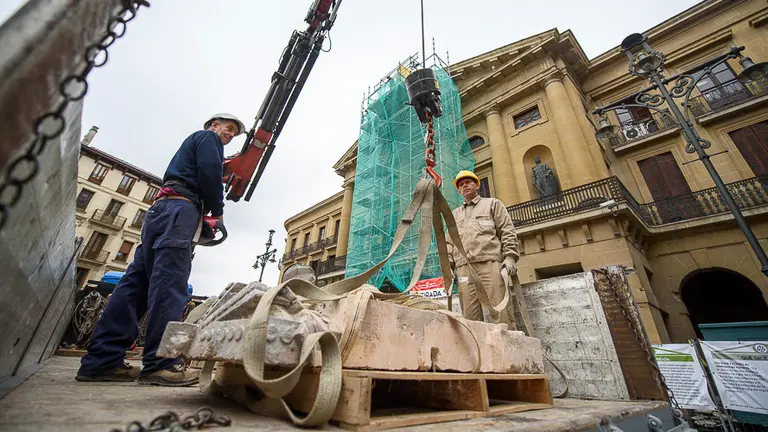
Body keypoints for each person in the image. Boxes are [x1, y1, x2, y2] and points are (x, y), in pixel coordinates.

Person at [76, 113, 246, 386]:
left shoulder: (191, 149)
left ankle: (102, 361)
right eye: (227, 129)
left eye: (233, 133)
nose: (229, 135)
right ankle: (161, 363)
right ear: (214, 125)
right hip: (180, 211)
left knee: (136, 284)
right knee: (170, 284)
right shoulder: (208, 139)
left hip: (160, 211)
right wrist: (218, 209)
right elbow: (209, 172)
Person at [446, 170, 520, 328]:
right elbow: (449, 242)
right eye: (460, 184)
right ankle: (479, 351)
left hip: (490, 264)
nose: (464, 185)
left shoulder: (492, 204)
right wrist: (448, 266)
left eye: (468, 182)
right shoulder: (455, 214)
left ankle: (506, 348)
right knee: (470, 317)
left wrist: (510, 257)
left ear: (477, 184)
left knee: (501, 312)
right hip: (464, 269)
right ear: (458, 190)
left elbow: (507, 230)